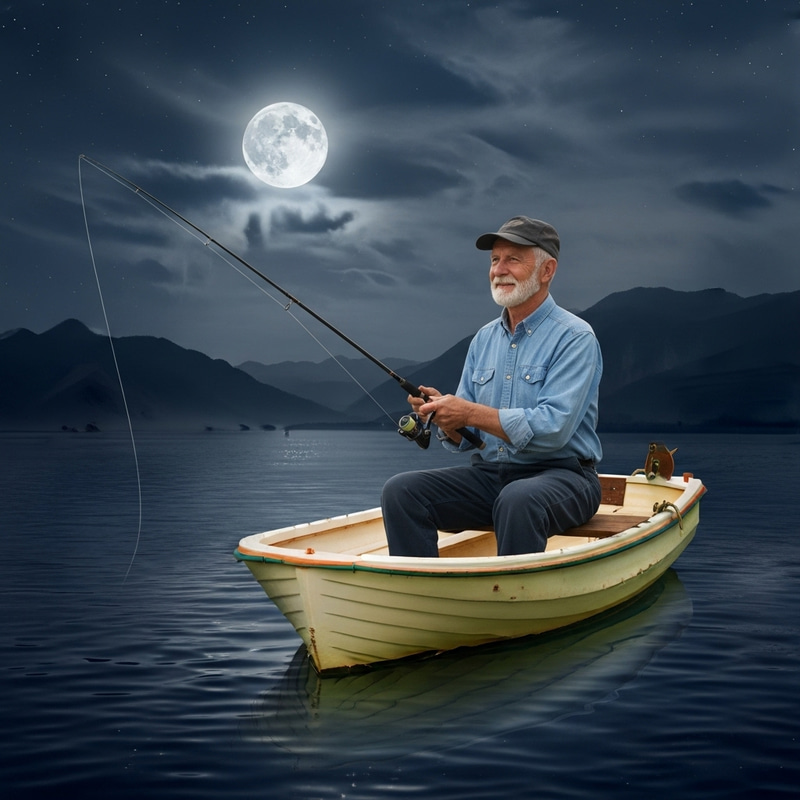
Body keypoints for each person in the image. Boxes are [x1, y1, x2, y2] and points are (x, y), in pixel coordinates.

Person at [381, 216, 603, 557]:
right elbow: (469, 437)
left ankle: (513, 601)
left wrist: (468, 411)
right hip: (491, 476)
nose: (499, 270)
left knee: (519, 500)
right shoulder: (483, 339)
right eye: (494, 260)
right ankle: (421, 594)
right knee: (401, 491)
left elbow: (553, 429)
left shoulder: (575, 337)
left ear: (547, 271)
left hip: (566, 477)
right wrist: (446, 416)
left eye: (513, 259)